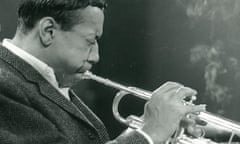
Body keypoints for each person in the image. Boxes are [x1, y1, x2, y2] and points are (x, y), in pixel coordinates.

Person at [0, 0, 205, 143]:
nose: (95, 56)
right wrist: (149, 133)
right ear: (48, 31)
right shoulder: (5, 84)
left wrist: (164, 129)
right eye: (91, 41)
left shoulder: (52, 81)